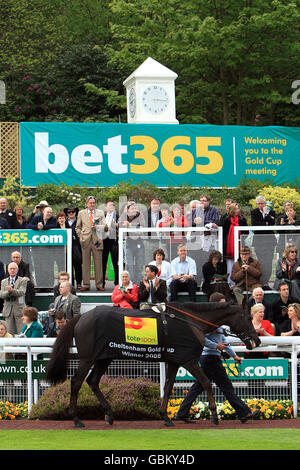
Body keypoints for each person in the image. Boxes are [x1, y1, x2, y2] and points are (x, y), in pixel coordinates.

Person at [175, 295, 256, 424]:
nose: (225, 307)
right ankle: (244, 412)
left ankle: (182, 412)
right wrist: (216, 346)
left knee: (199, 386)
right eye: (222, 304)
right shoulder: (206, 321)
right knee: (226, 386)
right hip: (210, 358)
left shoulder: (217, 323)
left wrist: (234, 355)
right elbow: (202, 339)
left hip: (210, 358)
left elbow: (224, 341)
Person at [76, 196, 107, 291]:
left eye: (94, 203)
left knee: (98, 263)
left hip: (97, 240)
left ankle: (99, 284)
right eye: (90, 203)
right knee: (85, 263)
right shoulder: (81, 213)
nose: (92, 204)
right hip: (85, 240)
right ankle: (86, 284)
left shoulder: (100, 213)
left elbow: (106, 227)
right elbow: (77, 227)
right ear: (86, 204)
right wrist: (81, 237)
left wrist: (98, 227)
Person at [250, 196, 276, 288]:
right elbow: (255, 225)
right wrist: (266, 222)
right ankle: (261, 281)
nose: (261, 205)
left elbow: (272, 224)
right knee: (261, 262)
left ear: (265, 203)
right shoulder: (254, 212)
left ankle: (266, 282)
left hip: (269, 241)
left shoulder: (271, 212)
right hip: (259, 241)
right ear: (257, 204)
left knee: (269, 261)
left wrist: (266, 214)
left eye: (262, 203)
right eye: (259, 204)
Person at [119, 201, 146, 285]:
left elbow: (142, 227)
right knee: (129, 265)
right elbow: (119, 224)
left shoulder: (140, 215)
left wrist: (130, 225)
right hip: (128, 243)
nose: (134, 209)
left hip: (139, 242)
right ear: (127, 210)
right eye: (132, 208)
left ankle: (138, 284)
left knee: (139, 264)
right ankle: (129, 284)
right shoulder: (124, 215)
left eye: (135, 207)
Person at [221, 202, 247, 286]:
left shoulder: (242, 219)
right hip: (228, 246)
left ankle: (240, 282)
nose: (237, 210)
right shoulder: (226, 219)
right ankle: (230, 283)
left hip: (240, 244)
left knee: (240, 263)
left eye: (238, 208)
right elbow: (223, 232)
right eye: (236, 208)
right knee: (230, 264)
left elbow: (246, 232)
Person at [0, 262, 27, 335]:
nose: (12, 270)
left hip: (19, 309)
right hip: (8, 310)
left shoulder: (22, 280)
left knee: (21, 332)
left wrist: (11, 290)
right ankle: (10, 346)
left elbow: (21, 292)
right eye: (10, 268)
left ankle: (22, 346)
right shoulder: (3, 281)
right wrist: (9, 292)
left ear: (17, 270)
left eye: (14, 269)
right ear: (8, 270)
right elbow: (2, 294)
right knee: (9, 333)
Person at [102, 200, 119, 289]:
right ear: (106, 208)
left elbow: (122, 227)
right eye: (109, 205)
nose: (111, 206)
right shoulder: (102, 217)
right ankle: (102, 283)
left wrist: (117, 226)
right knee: (102, 262)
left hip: (114, 242)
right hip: (104, 241)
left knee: (116, 262)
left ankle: (117, 283)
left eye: (113, 205)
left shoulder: (118, 216)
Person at [64, 206, 82, 290]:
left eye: (73, 212)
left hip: (77, 245)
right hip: (67, 246)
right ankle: (70, 283)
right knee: (68, 265)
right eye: (69, 212)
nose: (71, 213)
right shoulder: (63, 222)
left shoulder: (79, 221)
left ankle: (79, 282)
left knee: (78, 264)